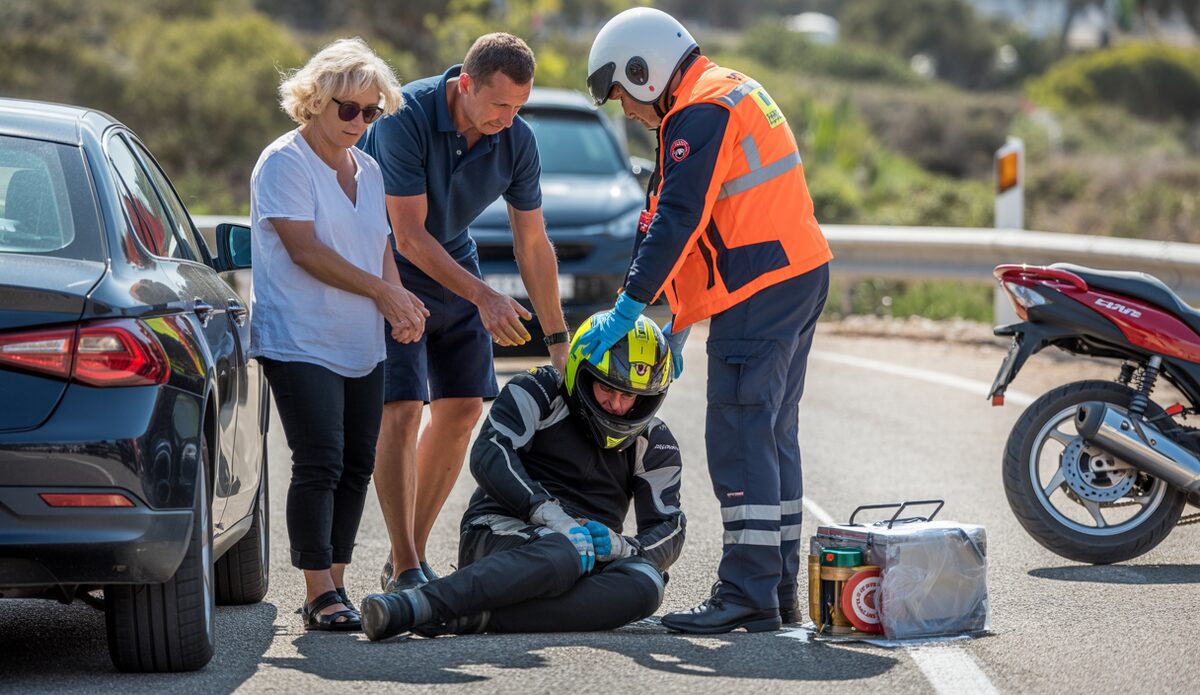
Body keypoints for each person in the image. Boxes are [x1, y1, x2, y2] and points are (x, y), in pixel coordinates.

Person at [579, 7, 832, 634]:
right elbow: (708, 222)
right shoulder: (728, 90)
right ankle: (777, 592)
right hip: (792, 274)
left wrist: (629, 306)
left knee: (740, 435)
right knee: (772, 434)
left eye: (625, 97)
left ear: (644, 71)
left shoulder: (700, 111)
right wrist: (681, 324)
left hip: (760, 286)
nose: (629, 113)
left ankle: (748, 590)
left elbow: (679, 218)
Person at [358, 32, 570, 592]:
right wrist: (485, 295)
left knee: (461, 411)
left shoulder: (517, 139)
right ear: (467, 84)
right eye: (500, 104)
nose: (509, 117)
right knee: (402, 410)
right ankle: (405, 565)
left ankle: (412, 554)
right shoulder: (405, 117)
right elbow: (406, 236)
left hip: (455, 262)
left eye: (519, 106)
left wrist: (557, 340)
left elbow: (532, 242)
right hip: (393, 270)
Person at [358, 314, 684, 640]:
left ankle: (472, 617)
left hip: (586, 555)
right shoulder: (540, 388)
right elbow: (489, 452)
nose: (616, 405)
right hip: (501, 531)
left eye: (629, 397)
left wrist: (621, 546)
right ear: (581, 371)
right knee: (563, 552)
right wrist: (552, 516)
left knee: (647, 584)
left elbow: (669, 528)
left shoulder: (654, 441)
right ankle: (418, 603)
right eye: (606, 388)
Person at [250, 37, 429, 630]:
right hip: (298, 337)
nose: (358, 121)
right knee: (320, 458)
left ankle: (339, 586)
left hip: (360, 340)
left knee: (356, 462)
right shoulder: (283, 162)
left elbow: (380, 247)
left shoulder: (371, 168)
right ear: (314, 102)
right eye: (346, 109)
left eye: (370, 111)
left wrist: (397, 302)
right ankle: (317, 589)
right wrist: (383, 294)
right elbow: (305, 252)